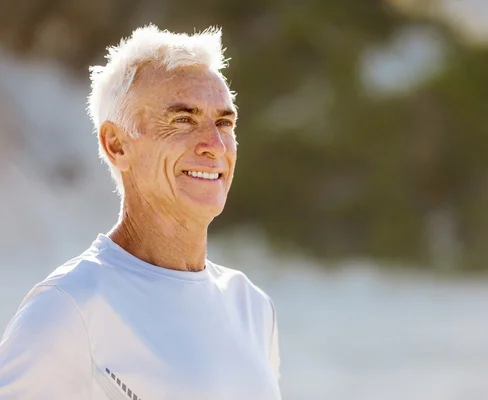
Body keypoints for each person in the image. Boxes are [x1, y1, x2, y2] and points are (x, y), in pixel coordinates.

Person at [0, 24, 281, 400]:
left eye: (224, 123)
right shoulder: (69, 308)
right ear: (116, 145)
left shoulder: (252, 306)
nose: (215, 145)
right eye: (183, 119)